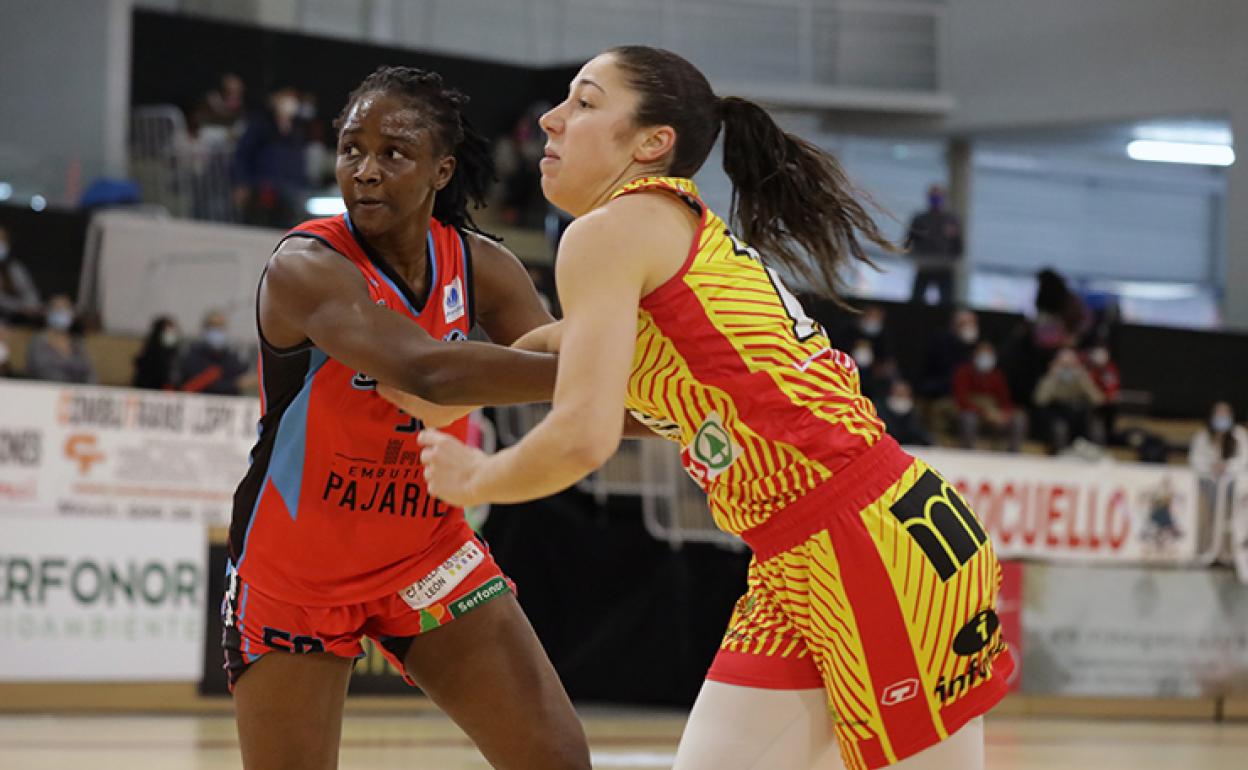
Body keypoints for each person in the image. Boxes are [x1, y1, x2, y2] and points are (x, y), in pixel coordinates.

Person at [399, 46, 1013, 770]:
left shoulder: (608, 233)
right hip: (806, 555)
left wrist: (478, 478)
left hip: (863, 547)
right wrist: (405, 381)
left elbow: (582, 436)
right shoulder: (657, 241)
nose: (552, 120)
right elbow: (525, 359)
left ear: (652, 144)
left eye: (586, 103)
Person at [224, 66, 589, 770]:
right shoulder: (306, 265)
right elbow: (429, 371)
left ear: (440, 169)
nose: (364, 170)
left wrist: (683, 406)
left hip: (428, 554)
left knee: (558, 760)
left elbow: (564, 384)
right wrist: (613, 385)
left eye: (392, 153)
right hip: (298, 571)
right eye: (350, 148)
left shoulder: (483, 266)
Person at [953, 341, 1027, 453]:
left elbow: (1005, 401)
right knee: (969, 419)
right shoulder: (964, 372)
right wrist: (984, 413)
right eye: (982, 355)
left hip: (994, 414)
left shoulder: (997, 376)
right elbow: (961, 400)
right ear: (975, 356)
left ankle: (1013, 454)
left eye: (989, 355)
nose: (986, 358)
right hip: (975, 413)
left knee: (1019, 418)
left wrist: (1003, 415)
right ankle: (968, 453)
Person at [1032, 347, 1104, 453]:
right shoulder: (1049, 379)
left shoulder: (1080, 378)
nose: (1066, 369)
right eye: (1063, 365)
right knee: (1060, 428)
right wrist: (1052, 377)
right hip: (1057, 415)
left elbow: (1098, 399)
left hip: (1079, 416)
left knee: (1095, 427)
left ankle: (1096, 457)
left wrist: (1083, 378)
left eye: (1070, 365)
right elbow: (1040, 400)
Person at [905, 184, 963, 305]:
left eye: (938, 196)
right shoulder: (920, 219)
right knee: (916, 299)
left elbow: (959, 246)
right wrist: (915, 259)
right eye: (933, 196)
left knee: (947, 301)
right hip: (924, 266)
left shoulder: (952, 219)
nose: (936, 199)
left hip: (944, 267)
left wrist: (952, 260)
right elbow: (908, 242)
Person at [177, 310, 252, 395]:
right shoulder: (192, 356)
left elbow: (241, 378)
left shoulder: (231, 358)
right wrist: (234, 384)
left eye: (220, 327)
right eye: (212, 326)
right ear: (204, 329)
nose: (216, 331)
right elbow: (198, 385)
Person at [25, 295, 95, 384]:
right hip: (46, 391)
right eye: (57, 309)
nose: (62, 312)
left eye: (66, 309)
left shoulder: (78, 342)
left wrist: (92, 391)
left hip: (78, 393)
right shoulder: (38, 342)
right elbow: (42, 371)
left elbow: (89, 372)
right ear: (48, 312)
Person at [0, 225, 44, 325]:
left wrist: (30, 307)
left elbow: (31, 294)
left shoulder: (15, 268)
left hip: (13, 322)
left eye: (2, 240)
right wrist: (19, 307)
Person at [876, 379, 933, 447]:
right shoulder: (880, 409)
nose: (901, 395)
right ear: (892, 392)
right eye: (899, 392)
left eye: (904, 393)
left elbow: (919, 432)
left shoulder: (912, 411)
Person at [132, 315, 182, 390]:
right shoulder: (150, 356)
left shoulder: (177, 354)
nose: (171, 334)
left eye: (172, 330)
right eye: (167, 331)